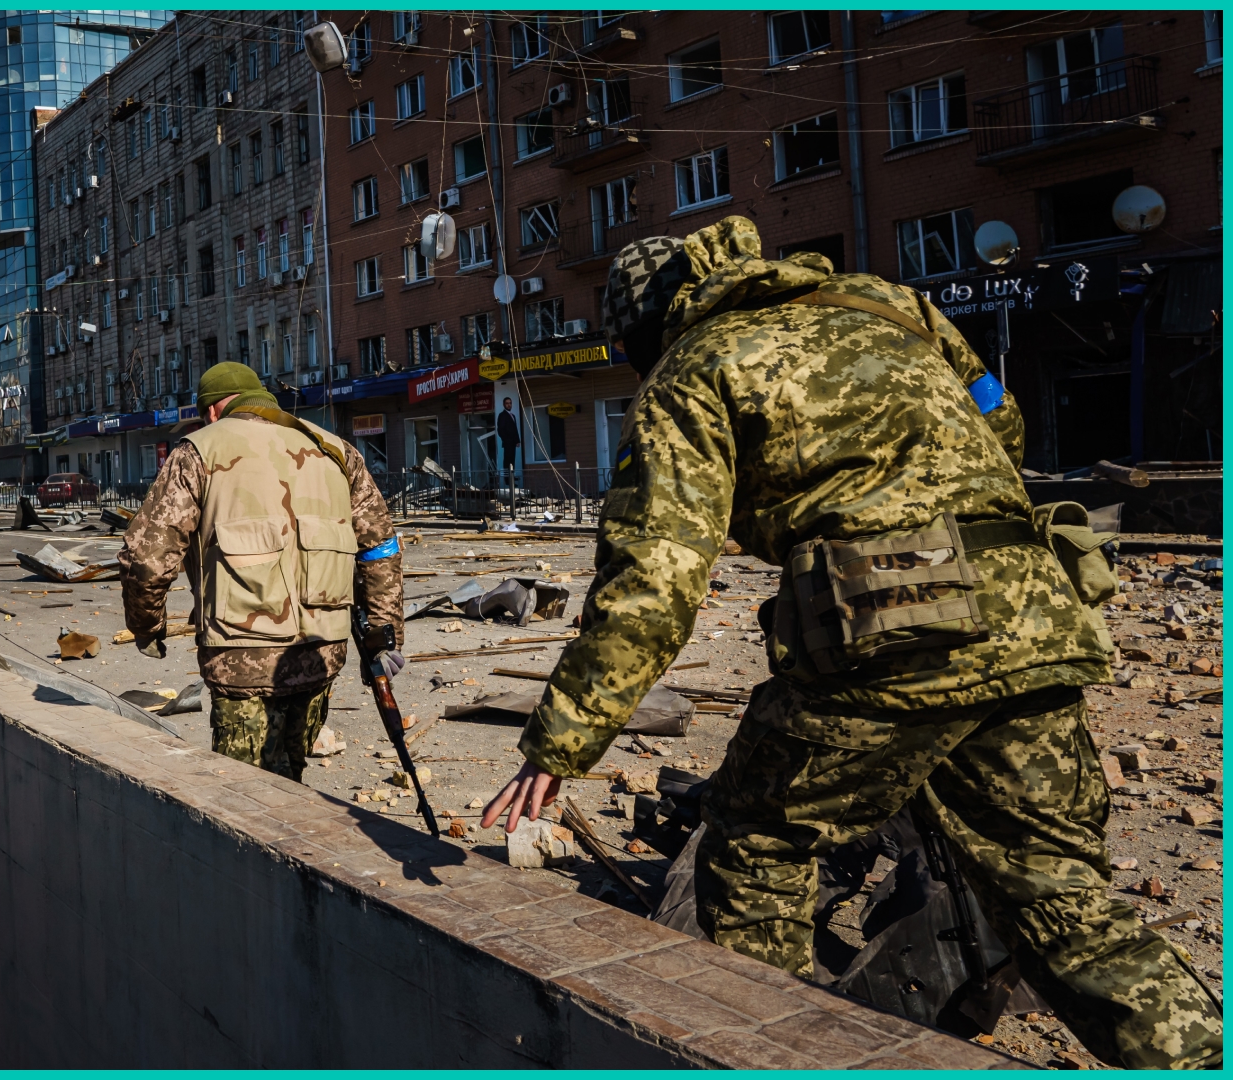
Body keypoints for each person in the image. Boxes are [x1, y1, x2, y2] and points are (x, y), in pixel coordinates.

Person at [479, 217, 1220, 1069]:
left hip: (887, 635)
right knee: (1061, 895)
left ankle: (774, 1054)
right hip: (1036, 618)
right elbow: (1001, 422)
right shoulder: (897, 310)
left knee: (755, 851)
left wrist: (564, 738)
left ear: (650, 324)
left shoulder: (696, 369)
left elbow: (654, 577)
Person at [119, 362, 405, 781]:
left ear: (212, 411)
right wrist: (383, 636)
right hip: (320, 657)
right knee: (293, 780)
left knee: (250, 799)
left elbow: (145, 558)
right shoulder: (338, 451)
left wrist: (148, 628)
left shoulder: (198, 451)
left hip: (241, 664)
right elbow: (381, 548)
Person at [495, 396, 521, 488]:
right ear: (503, 404)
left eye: (510, 403)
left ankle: (512, 478)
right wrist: (507, 440)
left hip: (513, 442)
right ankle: (507, 480)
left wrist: (517, 441)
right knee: (507, 461)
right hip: (508, 442)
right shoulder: (502, 415)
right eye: (507, 403)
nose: (509, 405)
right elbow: (500, 430)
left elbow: (515, 429)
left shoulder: (512, 415)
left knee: (512, 461)